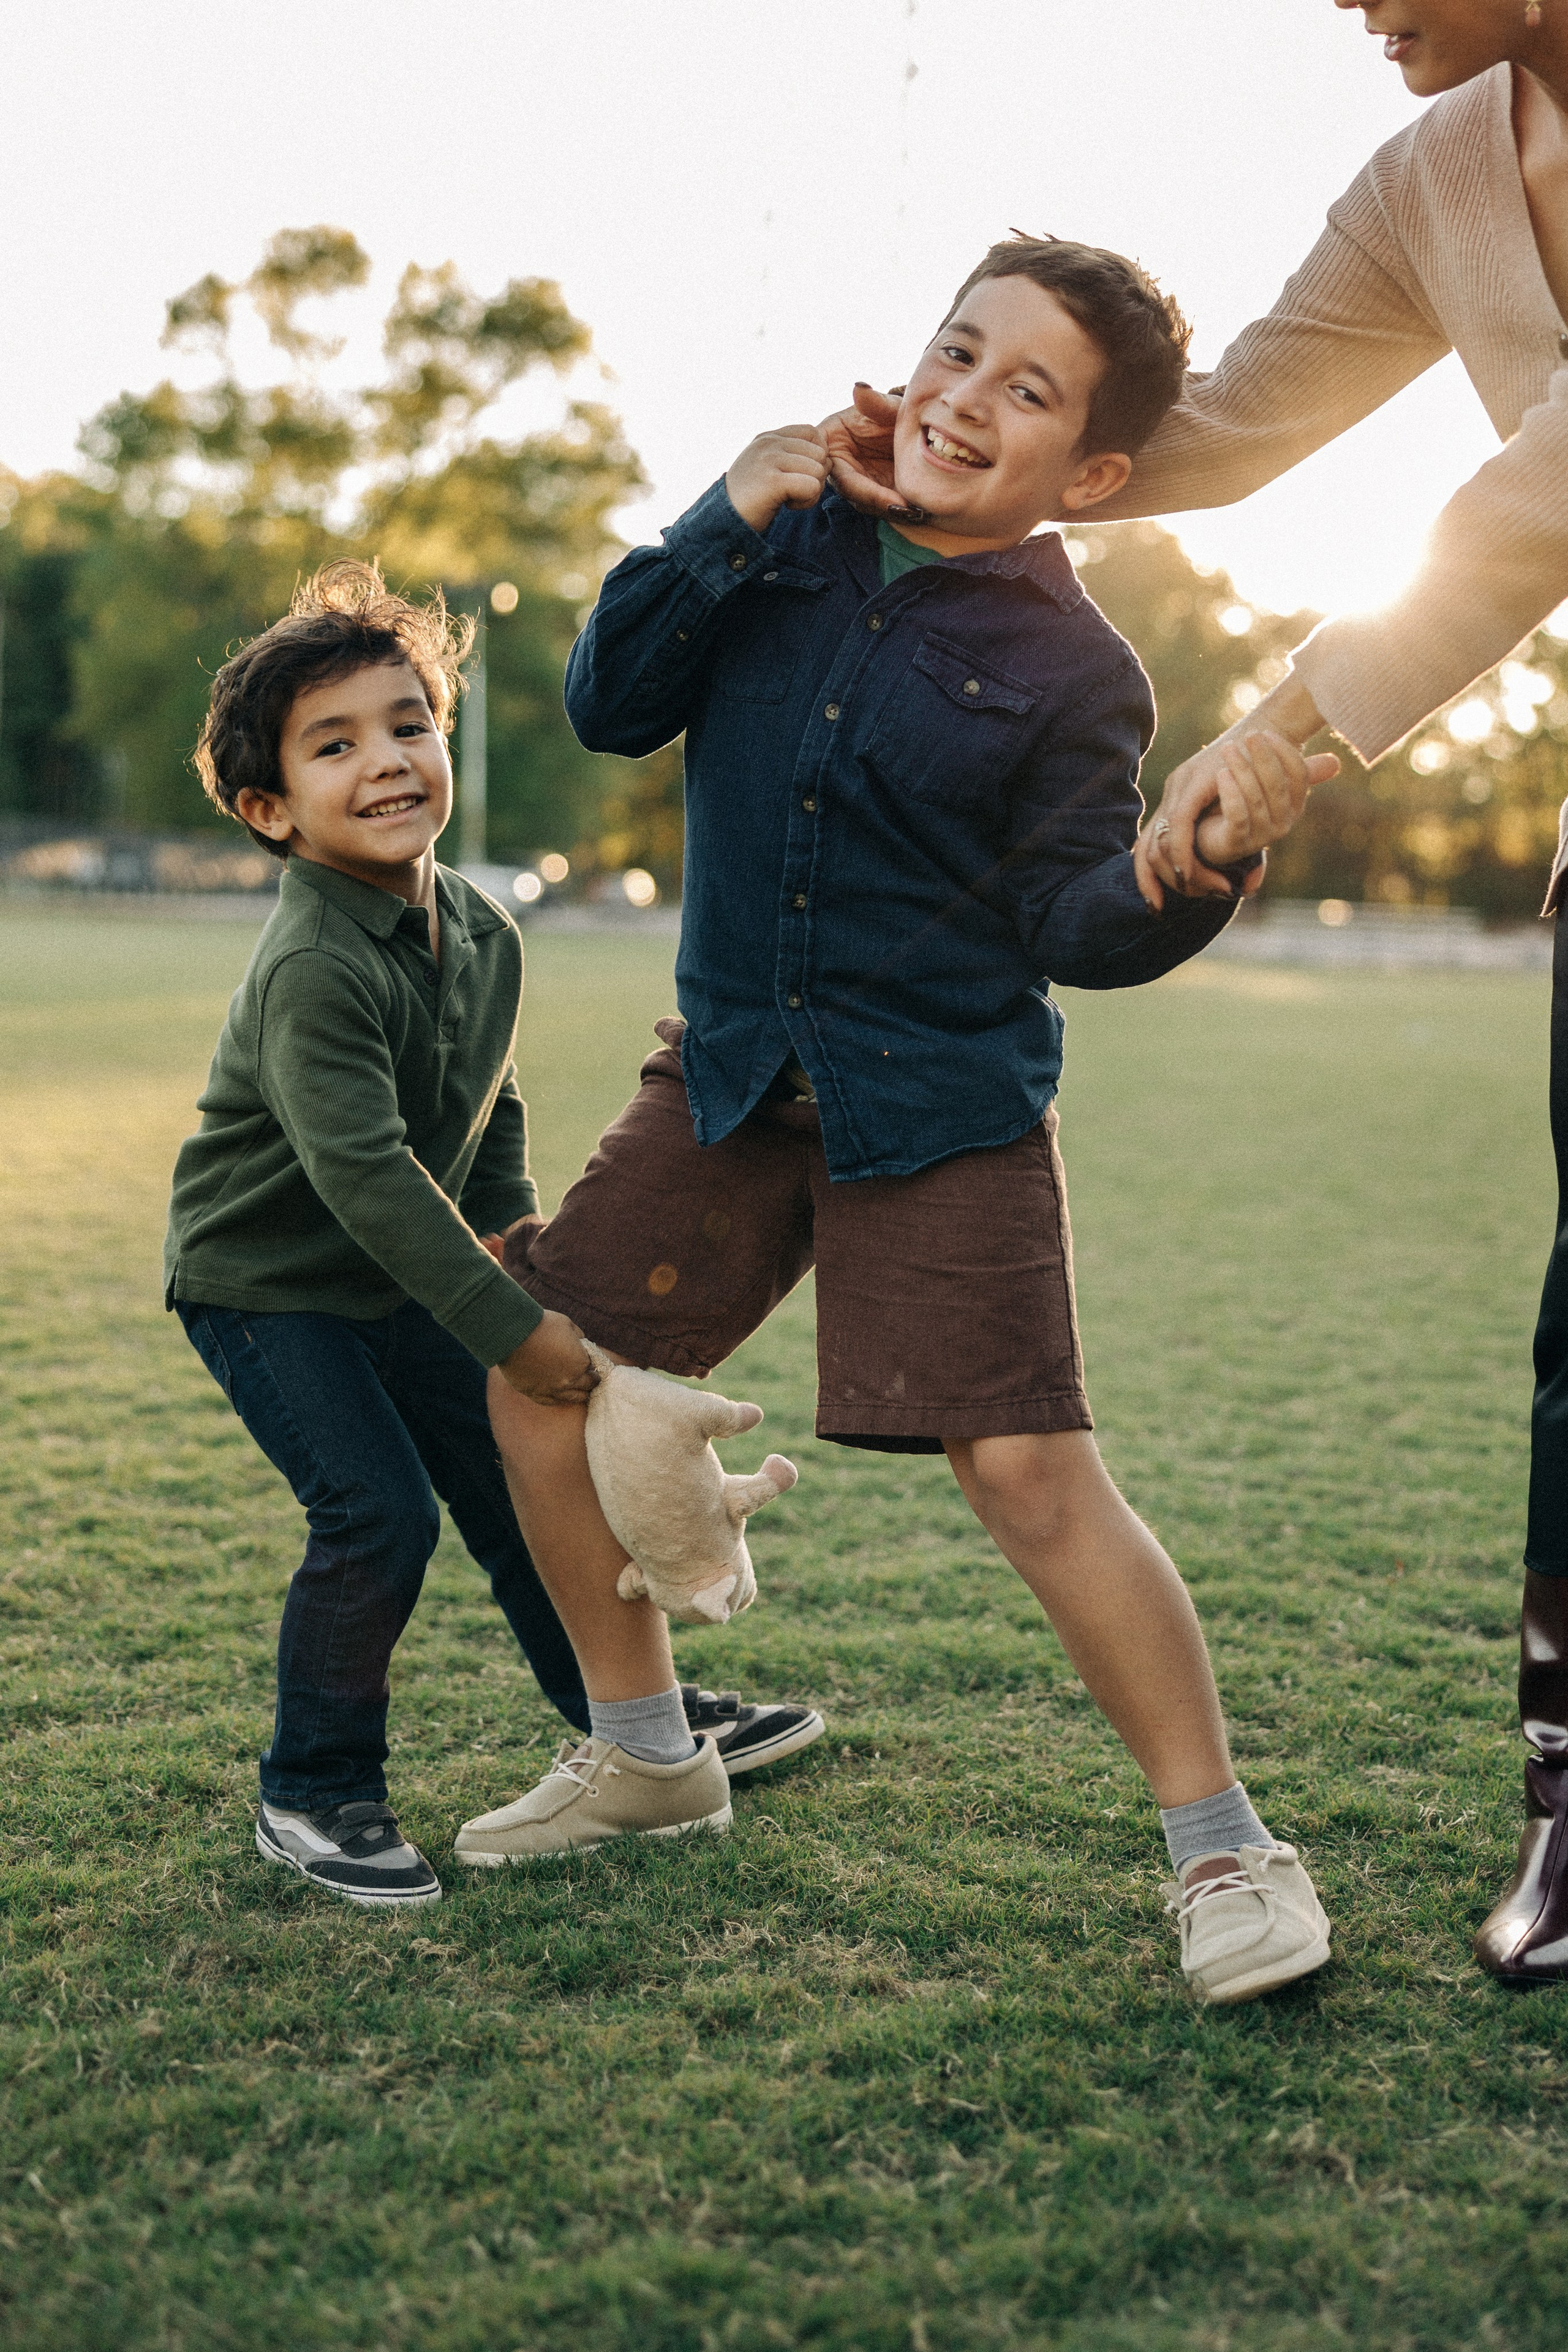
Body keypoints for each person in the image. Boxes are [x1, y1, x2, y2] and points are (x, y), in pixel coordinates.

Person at [456, 236, 1337, 2005]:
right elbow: (608, 700)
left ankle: (1225, 1846)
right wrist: (722, 509)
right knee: (534, 1362)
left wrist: (1195, 867)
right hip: (726, 1083)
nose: (964, 400)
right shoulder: (771, 547)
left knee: (1025, 1470)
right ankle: (646, 1755)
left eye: (1028, 391)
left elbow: (1074, 925)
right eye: (958, 352)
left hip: (939, 1106)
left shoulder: (1083, 671)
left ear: (1090, 473)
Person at [826, 1, 1568, 1986]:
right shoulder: (1434, 173)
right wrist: (950, 455)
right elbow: (1217, 431)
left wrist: (1302, 715)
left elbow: (1544, 487)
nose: (1353, 4)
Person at [164, 562, 821, 1910]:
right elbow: (365, 1173)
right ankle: (314, 1790)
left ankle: (633, 1724)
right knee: (376, 1517)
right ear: (268, 810)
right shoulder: (312, 965)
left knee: (527, 1490)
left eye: (407, 724)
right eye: (333, 745)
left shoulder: (478, 925)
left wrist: (521, 1243)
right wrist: (515, 1328)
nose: (387, 760)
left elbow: (486, 1104)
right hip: (270, 1286)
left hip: (407, 1279)